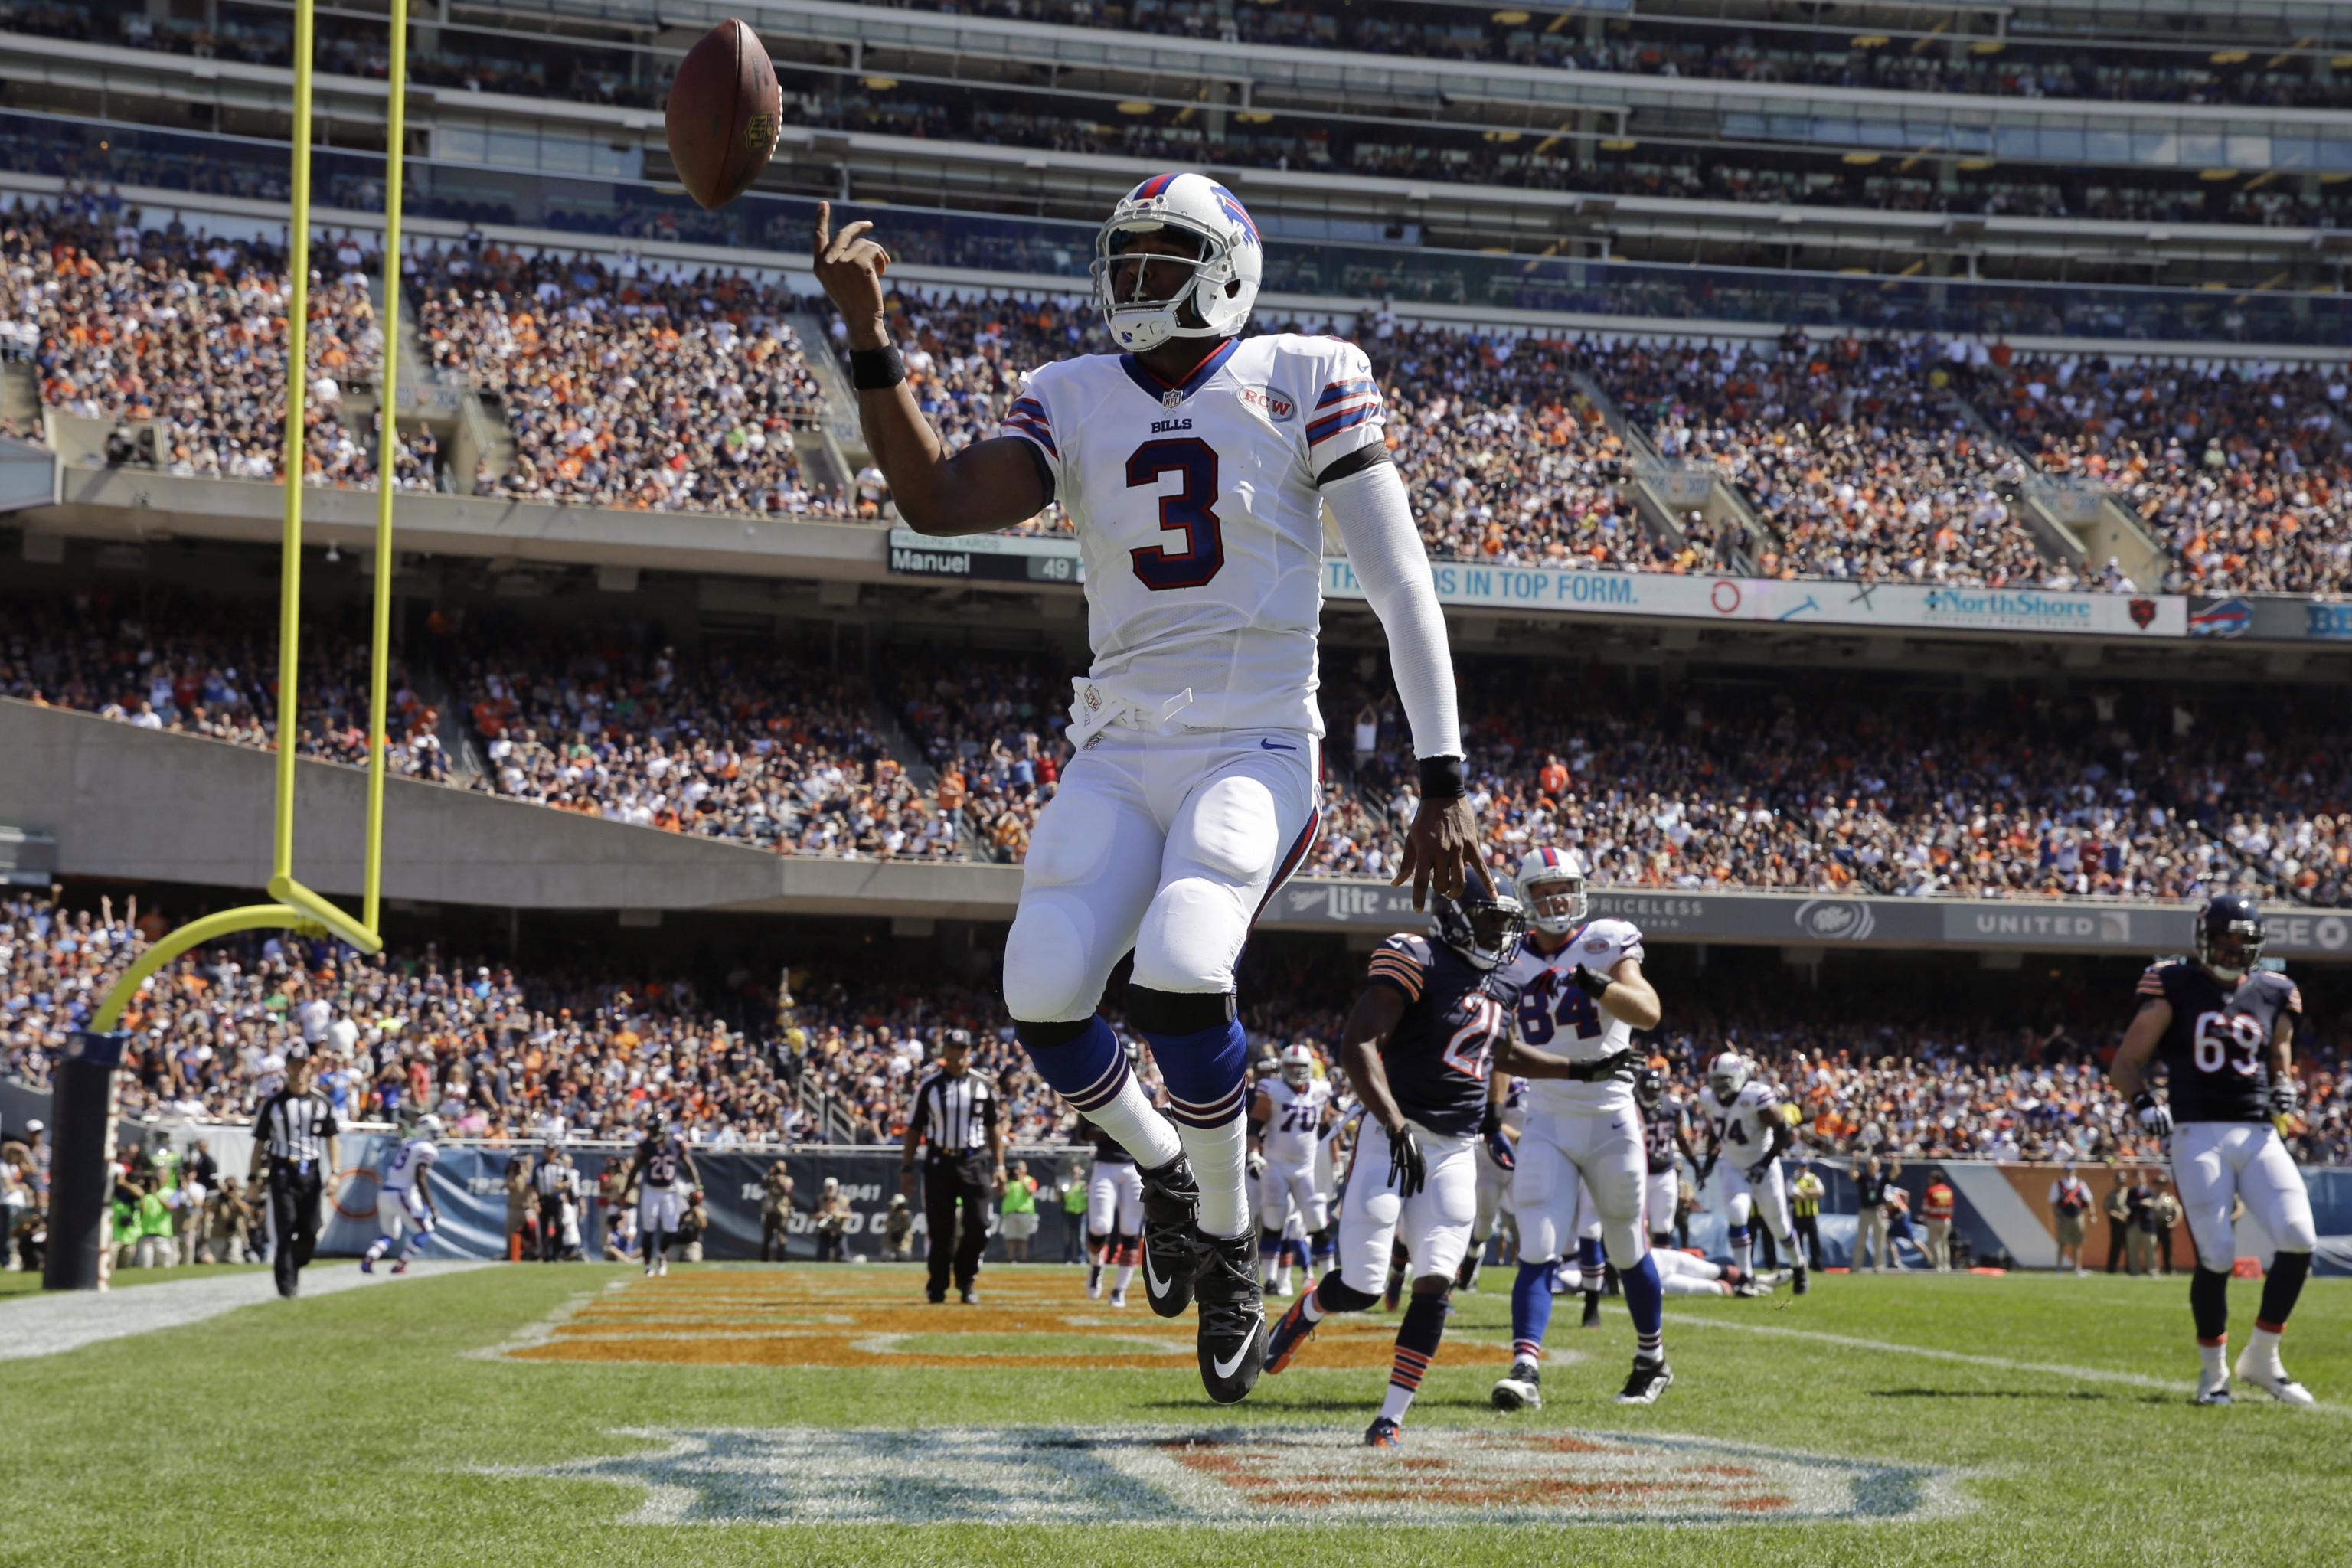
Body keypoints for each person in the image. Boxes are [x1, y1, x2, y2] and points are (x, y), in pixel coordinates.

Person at [815, 172, 1482, 1406]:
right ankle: (1172, 1168)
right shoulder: (1069, 393)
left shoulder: (1303, 372)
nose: (1132, 283)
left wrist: (1441, 774)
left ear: (1228, 264)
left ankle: (1227, 1241)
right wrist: (870, 342)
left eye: (1160, 257)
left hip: (1255, 740)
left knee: (1182, 958)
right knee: (1042, 984)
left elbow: (1400, 584)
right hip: (1117, 740)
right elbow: (940, 499)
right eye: (1122, 260)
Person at [1261, 885, 1525, 1447]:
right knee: (1360, 1285)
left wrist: (1518, 1106)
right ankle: (1306, 1310)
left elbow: (1495, 1053)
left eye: (1503, 923)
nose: (1498, 935)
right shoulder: (1419, 957)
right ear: (1455, 920)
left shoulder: (1503, 983)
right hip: (1392, 1135)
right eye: (1486, 921)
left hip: (1454, 1149)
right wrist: (1396, 1122)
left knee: (1435, 1282)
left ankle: (1391, 1418)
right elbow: (1357, 1042)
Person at [2110, 894, 2317, 1405]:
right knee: (2218, 1252)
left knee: (2298, 1238)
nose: (2231, 951)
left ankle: (2264, 1359)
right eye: (2224, 941)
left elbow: (2279, 1056)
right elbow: (2125, 1064)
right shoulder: (2173, 984)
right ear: (2204, 940)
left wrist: (2284, 1084)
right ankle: (2213, 1373)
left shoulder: (2275, 991)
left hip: (2258, 1131)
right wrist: (2142, 1102)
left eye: (2242, 942)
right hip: (2198, 1130)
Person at [1488, 848, 1674, 1412]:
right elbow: (1495, 1044)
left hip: (1609, 1114)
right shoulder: (1507, 959)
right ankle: (1525, 1367)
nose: (1558, 900)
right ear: (1525, 902)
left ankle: (1651, 1360)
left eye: (1565, 887)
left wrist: (1596, 985)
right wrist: (1495, 1113)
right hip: (1544, 1113)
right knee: (1537, 1241)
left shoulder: (1608, 939)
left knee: (1623, 1241)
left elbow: (1647, 1013)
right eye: (1544, 892)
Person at [903, 1029, 1004, 1304]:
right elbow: (914, 1128)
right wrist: (907, 1167)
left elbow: (994, 1127)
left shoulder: (982, 1085)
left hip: (975, 1160)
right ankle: (937, 1285)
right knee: (940, 1228)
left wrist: (1000, 1166)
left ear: (969, 1050)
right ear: (945, 1051)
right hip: (940, 1161)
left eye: (962, 1047)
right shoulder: (930, 1086)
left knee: (980, 1224)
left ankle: (965, 1278)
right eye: (953, 1047)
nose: (957, 1052)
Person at [1697, 1053, 1808, 1296]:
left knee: (1778, 1224)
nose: (1717, 1086)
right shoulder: (1707, 1096)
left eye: (1723, 1080)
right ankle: (1745, 1276)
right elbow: (1716, 1130)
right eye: (1714, 1080)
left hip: (1763, 1165)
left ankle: (1798, 1265)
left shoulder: (1755, 1095)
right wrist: (1709, 1162)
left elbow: (1784, 1131)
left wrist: (1765, 1162)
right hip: (1733, 1165)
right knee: (1737, 1214)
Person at [248, 1052, 339, 1299]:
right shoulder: (274, 1103)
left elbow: (332, 1138)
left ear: (310, 1069)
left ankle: (296, 1263)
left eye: (303, 1066)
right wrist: (252, 1178)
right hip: (282, 1170)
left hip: (311, 1169)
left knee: (311, 1227)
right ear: (287, 1069)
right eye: (294, 1066)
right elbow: (259, 1143)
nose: (299, 1071)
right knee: (285, 1226)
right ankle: (286, 1285)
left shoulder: (322, 1102)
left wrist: (335, 1173)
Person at [1250, 1043, 1331, 1296]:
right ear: (1283, 1068)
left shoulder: (1320, 1091)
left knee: (1317, 1222)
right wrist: (1253, 1153)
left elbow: (1327, 1131)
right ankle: (1271, 1280)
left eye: (1301, 1067)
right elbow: (1255, 1126)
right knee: (1274, 1221)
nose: (1296, 1072)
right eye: (1291, 1067)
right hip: (1275, 1164)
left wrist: (1332, 1163)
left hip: (1307, 1166)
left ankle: (1329, 1281)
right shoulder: (1272, 1090)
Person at [1459, 1073, 1524, 1292]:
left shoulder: (1543, 1080)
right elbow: (1487, 1119)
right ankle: (1468, 1269)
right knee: (1483, 1225)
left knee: (1531, 1216)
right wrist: (1521, 1138)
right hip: (1491, 1159)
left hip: (1524, 1162)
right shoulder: (1499, 1072)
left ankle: (1536, 1278)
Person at [1085, 1089, 1145, 1306]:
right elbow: (1084, 1132)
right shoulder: (1098, 1088)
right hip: (1105, 1165)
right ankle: (1095, 1265)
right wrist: (1117, 1127)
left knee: (1130, 1228)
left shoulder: (1143, 1091)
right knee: (1100, 1226)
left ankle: (1120, 1289)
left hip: (1134, 1166)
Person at [622, 1115, 700, 1278]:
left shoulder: (676, 1143)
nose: (650, 1133)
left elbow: (690, 1166)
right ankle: (648, 1265)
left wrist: (699, 1187)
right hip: (651, 1190)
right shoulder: (645, 1145)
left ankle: (662, 1255)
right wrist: (625, 1190)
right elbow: (635, 1169)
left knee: (671, 1230)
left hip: (670, 1191)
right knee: (649, 1230)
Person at [362, 1114, 440, 1275]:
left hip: (386, 1192)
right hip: (403, 1193)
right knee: (426, 1229)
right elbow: (420, 1177)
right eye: (434, 1132)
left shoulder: (410, 1143)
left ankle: (371, 1256)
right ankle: (401, 1264)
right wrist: (431, 1205)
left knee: (390, 1234)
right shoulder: (426, 1148)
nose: (437, 1136)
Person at [1635, 1067, 1697, 1251]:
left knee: (1662, 1227)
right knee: (1634, 1227)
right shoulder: (1630, 1107)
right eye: (1647, 1090)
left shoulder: (1671, 1107)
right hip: (1638, 1173)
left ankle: (1661, 1271)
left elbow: (1681, 1139)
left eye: (1654, 1090)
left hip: (1664, 1172)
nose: (1650, 1094)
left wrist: (1696, 1164)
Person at [532, 1138, 576, 1264]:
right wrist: (535, 1202)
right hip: (543, 1200)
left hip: (556, 1199)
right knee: (544, 1227)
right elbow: (533, 1186)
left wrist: (561, 1185)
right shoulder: (539, 1167)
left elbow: (569, 1182)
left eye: (552, 1151)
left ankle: (557, 1253)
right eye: (548, 1151)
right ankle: (545, 1254)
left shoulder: (560, 1166)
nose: (550, 1154)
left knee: (559, 1225)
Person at [2050, 1164, 2094, 1275]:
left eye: (2071, 1171)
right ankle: (2059, 1268)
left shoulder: (2080, 1184)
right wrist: (2057, 1216)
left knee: (2077, 1243)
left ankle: (2077, 1268)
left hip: (2077, 1216)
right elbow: (2053, 1202)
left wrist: (2092, 1214)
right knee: (2062, 1243)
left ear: (2075, 1171)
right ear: (2064, 1172)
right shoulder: (2058, 1184)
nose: (2069, 1173)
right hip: (2064, 1217)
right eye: (2067, 1171)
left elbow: (2089, 1199)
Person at [1854, 1155, 1893, 1272]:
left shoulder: (1881, 1178)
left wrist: (1895, 1162)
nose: (1872, 1167)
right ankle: (1856, 1267)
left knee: (1879, 1241)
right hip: (1865, 1210)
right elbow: (1853, 1175)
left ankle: (1879, 1266)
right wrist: (1855, 1161)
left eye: (1874, 1164)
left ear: (1878, 1166)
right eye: (1870, 1164)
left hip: (1878, 1210)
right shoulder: (1863, 1177)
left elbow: (1895, 1174)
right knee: (1861, 1241)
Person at [1000, 1159, 1040, 1262]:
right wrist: (1005, 1178)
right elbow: (1003, 1193)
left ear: (1025, 1168)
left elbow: (1031, 1192)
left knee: (1023, 1238)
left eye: (1020, 1167)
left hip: (1025, 1213)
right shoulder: (1009, 1181)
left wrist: (1022, 1179)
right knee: (1010, 1238)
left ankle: (1023, 1259)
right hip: (1010, 1212)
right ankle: (1010, 1258)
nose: (1018, 1169)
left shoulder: (1030, 1179)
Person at [1789, 1158, 1825, 1269]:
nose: (1803, 1169)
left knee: (1814, 1241)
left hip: (1811, 1215)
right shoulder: (1792, 1178)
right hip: (1798, 1215)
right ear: (1797, 1167)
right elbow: (1794, 1194)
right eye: (1801, 1166)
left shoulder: (1813, 1177)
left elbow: (1820, 1192)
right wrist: (1811, 1192)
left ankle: (1817, 1264)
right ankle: (1797, 1264)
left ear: (1808, 1167)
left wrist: (1803, 1190)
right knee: (1797, 1241)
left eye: (1805, 1166)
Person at [1921, 1168, 1955, 1272]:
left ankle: (1938, 1266)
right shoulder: (1948, 1190)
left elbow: (1926, 1207)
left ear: (1934, 1179)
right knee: (1944, 1243)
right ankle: (1947, 1266)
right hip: (1946, 1220)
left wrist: (1926, 1217)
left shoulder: (1931, 1191)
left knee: (1935, 1244)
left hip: (1933, 1219)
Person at [760, 1161, 795, 1263]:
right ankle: (764, 1260)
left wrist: (780, 1182)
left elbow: (788, 1191)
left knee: (781, 1237)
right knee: (767, 1237)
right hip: (770, 1211)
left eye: (780, 1168)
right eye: (777, 1168)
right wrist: (769, 1175)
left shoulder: (787, 1180)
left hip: (781, 1212)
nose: (778, 1170)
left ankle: (780, 1260)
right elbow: (763, 1186)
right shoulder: (771, 1178)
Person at [2127, 1174, 2158, 1276]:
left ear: (2145, 1179)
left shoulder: (2151, 1192)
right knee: (2133, 1248)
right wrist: (2141, 1202)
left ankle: (2152, 1270)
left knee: (2150, 1248)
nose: (2140, 1180)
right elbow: (2130, 1204)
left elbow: (2152, 1204)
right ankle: (2135, 1271)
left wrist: (2145, 1203)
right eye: (2138, 1178)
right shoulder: (2131, 1192)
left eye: (2142, 1177)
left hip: (2147, 1225)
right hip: (2134, 1224)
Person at [814, 1178, 851, 1262]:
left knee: (843, 1258)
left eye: (832, 1187)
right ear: (825, 1188)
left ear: (836, 1188)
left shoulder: (844, 1200)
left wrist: (839, 1214)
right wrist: (820, 1215)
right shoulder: (819, 1199)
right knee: (822, 1258)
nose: (830, 1190)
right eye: (828, 1187)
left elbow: (849, 1214)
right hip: (825, 1230)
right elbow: (811, 1216)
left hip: (839, 1230)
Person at [1060, 1163, 1089, 1264]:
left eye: (1076, 1173)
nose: (1074, 1175)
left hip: (1081, 1213)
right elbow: (1060, 1199)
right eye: (1073, 1173)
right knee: (1068, 1238)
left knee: (1081, 1238)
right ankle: (1068, 1259)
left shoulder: (1084, 1185)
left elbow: (1088, 1198)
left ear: (1081, 1173)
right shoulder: (1067, 1185)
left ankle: (1082, 1258)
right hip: (1069, 1213)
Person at [2105, 1172, 2134, 1275]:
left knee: (2130, 1246)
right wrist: (2119, 1216)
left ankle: (2130, 1268)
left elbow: (2134, 1207)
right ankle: (2111, 1269)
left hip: (2128, 1222)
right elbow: (2108, 1209)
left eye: (2122, 1182)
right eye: (2119, 1181)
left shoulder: (2129, 1193)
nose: (2120, 1184)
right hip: (2116, 1223)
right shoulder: (2112, 1194)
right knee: (2115, 1246)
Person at [2152, 1176, 2181, 1275]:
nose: (2160, 1186)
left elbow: (2177, 1211)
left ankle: (2169, 1269)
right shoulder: (2152, 1196)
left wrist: (2174, 1222)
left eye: (2162, 1184)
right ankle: (2154, 1268)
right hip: (2154, 1225)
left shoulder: (2169, 1198)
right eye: (2158, 1184)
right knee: (2153, 1248)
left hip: (2166, 1225)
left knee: (2167, 1249)